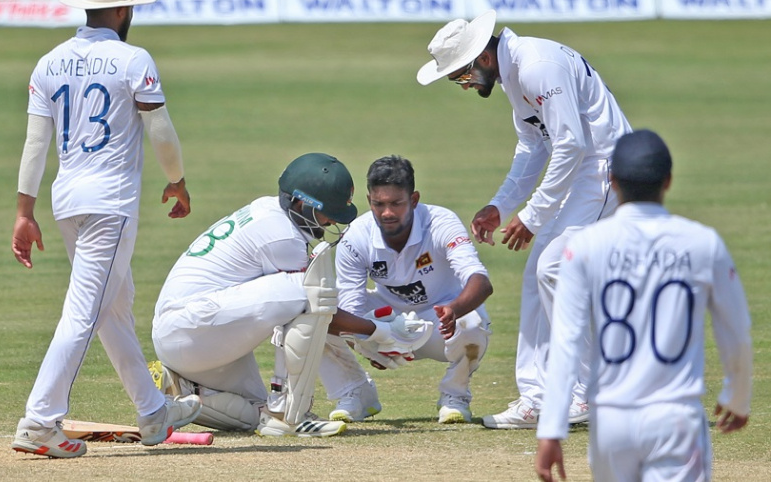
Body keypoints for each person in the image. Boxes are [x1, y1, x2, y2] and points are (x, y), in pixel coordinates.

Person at [417, 9, 633, 428]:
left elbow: (570, 143)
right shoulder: (513, 75)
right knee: (541, 272)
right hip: (582, 169)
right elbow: (534, 147)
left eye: (460, 76)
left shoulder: (536, 66)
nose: (462, 85)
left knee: (554, 267)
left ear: (481, 58)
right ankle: (536, 398)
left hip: (606, 167)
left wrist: (531, 217)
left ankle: (587, 396)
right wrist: (500, 205)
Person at [9, 0, 201, 458]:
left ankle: (153, 412)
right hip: (109, 204)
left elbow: (36, 143)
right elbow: (160, 128)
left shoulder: (49, 61)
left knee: (112, 309)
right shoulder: (134, 59)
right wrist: (177, 181)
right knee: (85, 312)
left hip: (66, 201)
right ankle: (39, 422)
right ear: (120, 11)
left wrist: (24, 210)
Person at [149, 153, 431, 437]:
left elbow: (320, 313)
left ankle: (180, 389)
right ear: (302, 204)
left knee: (261, 418)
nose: (331, 219)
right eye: (327, 211)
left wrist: (367, 333)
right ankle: (292, 410)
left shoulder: (269, 210)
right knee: (307, 289)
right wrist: (376, 331)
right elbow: (314, 305)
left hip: (191, 334)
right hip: (191, 328)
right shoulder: (282, 236)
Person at [534, 130, 753, 482]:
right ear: (667, 181)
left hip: (610, 421)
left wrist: (552, 428)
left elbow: (566, 342)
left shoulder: (584, 246)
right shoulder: (702, 243)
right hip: (675, 418)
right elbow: (737, 331)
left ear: (612, 181)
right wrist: (738, 397)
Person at [319, 155, 493, 424]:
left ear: (414, 200)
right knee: (318, 311)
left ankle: (455, 397)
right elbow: (351, 306)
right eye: (379, 204)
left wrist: (453, 310)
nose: (387, 213)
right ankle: (355, 392)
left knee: (473, 322)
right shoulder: (355, 236)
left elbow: (480, 280)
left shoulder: (441, 222)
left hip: (440, 322)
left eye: (396, 203)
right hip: (386, 324)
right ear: (369, 202)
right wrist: (367, 343)